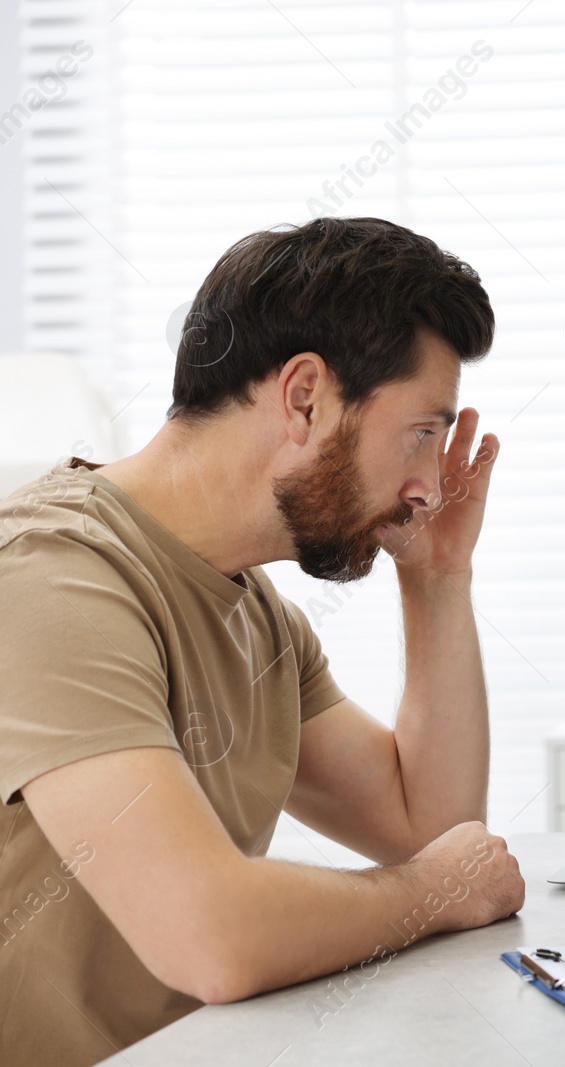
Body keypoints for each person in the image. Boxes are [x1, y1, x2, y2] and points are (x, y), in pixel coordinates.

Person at [0, 217, 526, 1066]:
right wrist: (430, 891)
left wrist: (436, 580)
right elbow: (209, 934)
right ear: (306, 396)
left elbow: (428, 825)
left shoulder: (255, 610)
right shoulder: (47, 575)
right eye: (424, 431)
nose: (432, 484)